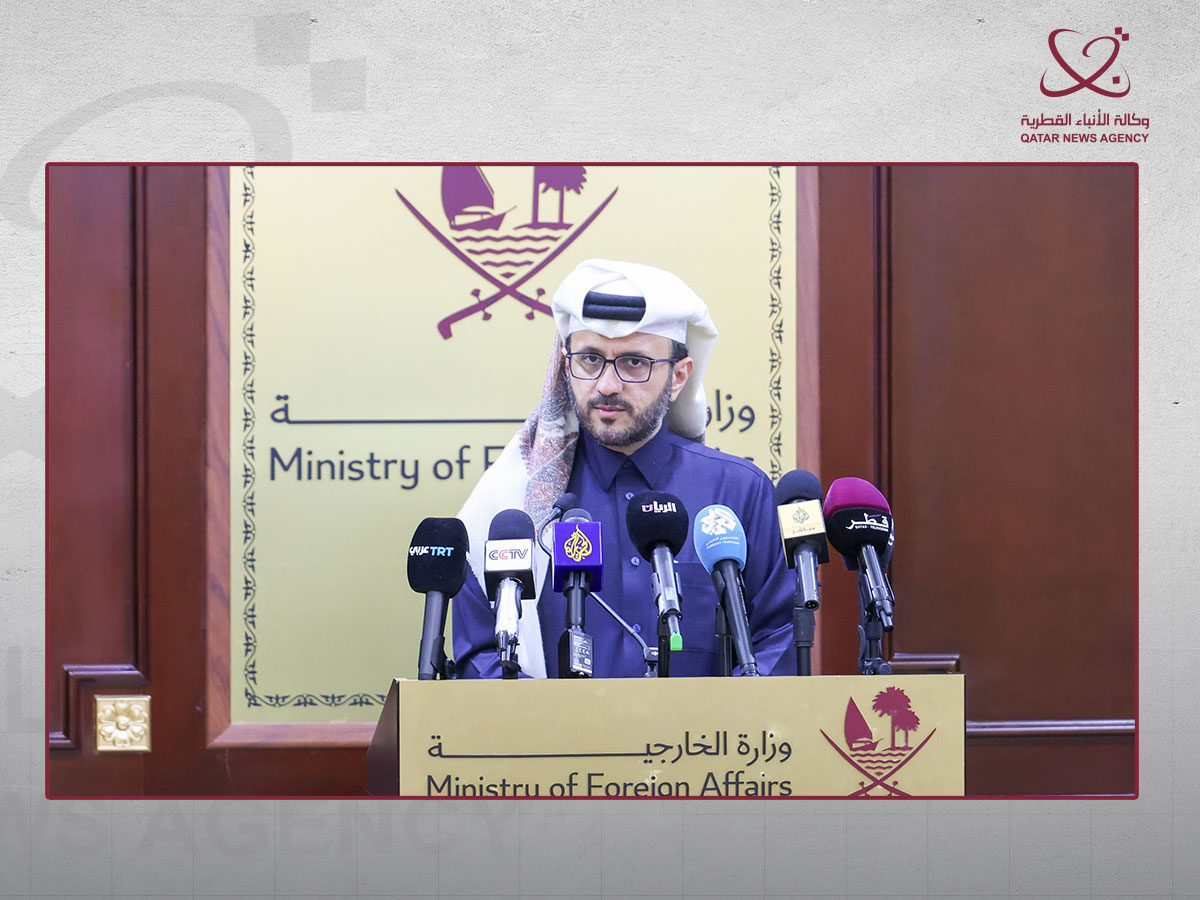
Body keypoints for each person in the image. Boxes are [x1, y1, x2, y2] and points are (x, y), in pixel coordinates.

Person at [452, 259, 796, 678]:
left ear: (678, 377)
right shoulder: (514, 505)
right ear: (565, 365)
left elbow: (779, 638)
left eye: (634, 362)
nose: (607, 385)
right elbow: (479, 655)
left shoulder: (737, 493)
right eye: (590, 359)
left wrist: (713, 714)